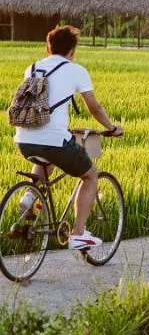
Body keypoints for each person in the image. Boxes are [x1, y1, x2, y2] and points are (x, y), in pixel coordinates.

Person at [14, 26, 124, 250]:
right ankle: (78, 234)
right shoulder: (76, 70)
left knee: (47, 157)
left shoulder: (32, 68)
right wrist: (112, 128)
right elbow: (94, 107)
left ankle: (29, 196)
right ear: (72, 50)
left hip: (23, 140)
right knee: (90, 175)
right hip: (54, 140)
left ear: (48, 48)